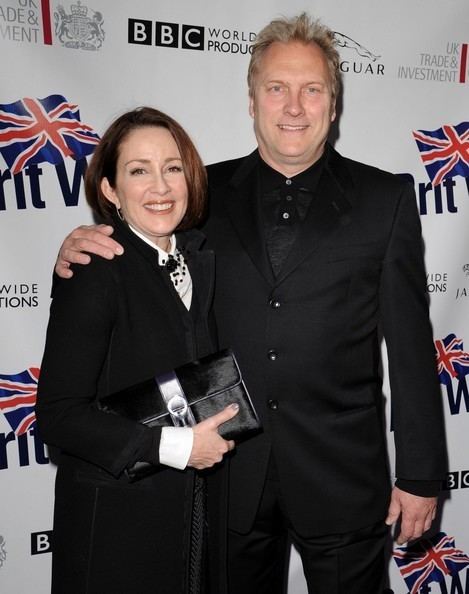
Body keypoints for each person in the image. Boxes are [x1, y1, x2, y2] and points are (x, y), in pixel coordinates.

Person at [53, 14, 447, 594]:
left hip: (344, 478)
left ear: (333, 106)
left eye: (312, 89)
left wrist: (420, 476)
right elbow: (140, 245)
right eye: (277, 88)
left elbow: (412, 351)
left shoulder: (384, 200)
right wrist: (81, 239)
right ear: (252, 100)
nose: (294, 106)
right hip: (227, 476)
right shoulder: (197, 195)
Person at [36, 107, 239, 594]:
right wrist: (176, 447)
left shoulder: (197, 257)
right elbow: (59, 415)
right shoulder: (93, 268)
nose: (160, 186)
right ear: (109, 190)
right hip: (116, 534)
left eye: (172, 168)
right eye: (138, 170)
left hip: (189, 527)